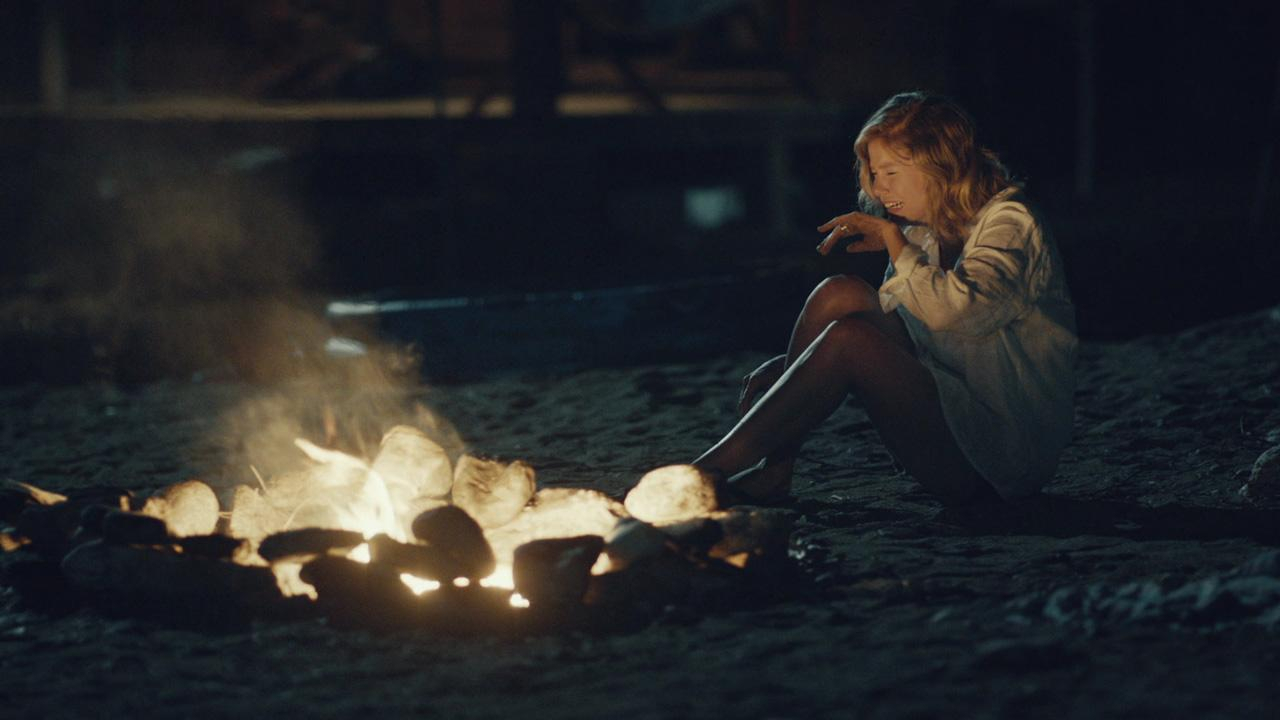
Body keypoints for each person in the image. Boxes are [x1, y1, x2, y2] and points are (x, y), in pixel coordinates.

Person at [692, 91, 1077, 505]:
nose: (878, 188)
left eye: (891, 172)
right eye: (874, 173)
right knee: (838, 293)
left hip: (1000, 457)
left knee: (850, 341)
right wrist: (796, 369)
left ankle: (705, 473)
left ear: (939, 164)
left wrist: (895, 243)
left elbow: (957, 314)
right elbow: (911, 331)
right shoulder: (923, 230)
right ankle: (776, 469)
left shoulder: (1011, 223)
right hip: (947, 411)